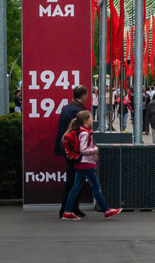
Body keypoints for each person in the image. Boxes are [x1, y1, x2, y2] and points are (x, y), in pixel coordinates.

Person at [61, 111, 121, 219]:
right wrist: (95, 150)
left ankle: (67, 211)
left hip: (82, 163)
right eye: (91, 118)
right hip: (86, 164)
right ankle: (106, 210)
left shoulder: (82, 132)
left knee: (76, 187)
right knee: (96, 187)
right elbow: (83, 149)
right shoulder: (85, 133)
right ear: (85, 120)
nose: (92, 120)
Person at [54, 85, 89, 219]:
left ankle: (72, 208)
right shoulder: (77, 111)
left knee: (75, 179)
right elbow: (80, 133)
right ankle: (66, 209)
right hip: (74, 151)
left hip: (68, 150)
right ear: (84, 96)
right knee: (73, 180)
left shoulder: (66, 108)